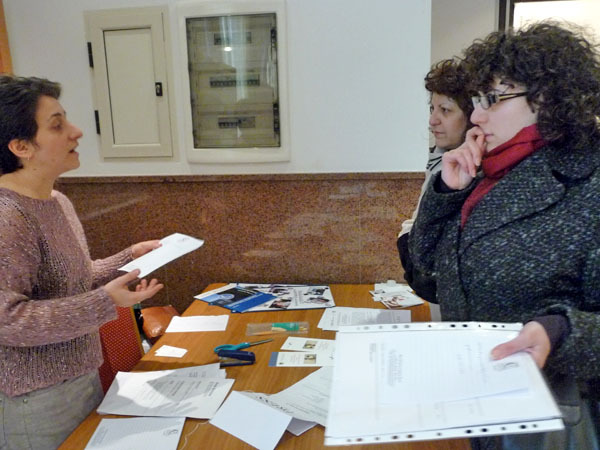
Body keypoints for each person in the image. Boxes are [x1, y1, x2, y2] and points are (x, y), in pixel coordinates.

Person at [408, 22, 600, 449]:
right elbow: (426, 272)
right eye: (478, 100)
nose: (477, 116)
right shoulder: (492, 169)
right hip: (482, 402)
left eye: (493, 99)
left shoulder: (588, 181)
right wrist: (447, 193)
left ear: (547, 98)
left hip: (550, 421)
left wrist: (561, 331)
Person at [0, 75, 165, 449]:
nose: (76, 132)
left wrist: (128, 259)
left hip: (82, 377)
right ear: (21, 147)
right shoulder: (8, 216)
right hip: (35, 399)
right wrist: (104, 302)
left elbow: (72, 279)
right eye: (57, 125)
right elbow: (8, 321)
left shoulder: (56, 201)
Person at [397, 59, 473, 301]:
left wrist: (407, 236)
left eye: (445, 110)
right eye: (432, 109)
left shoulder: (475, 172)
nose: (433, 120)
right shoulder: (439, 159)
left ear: (472, 116)